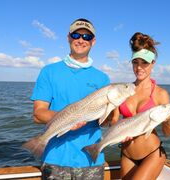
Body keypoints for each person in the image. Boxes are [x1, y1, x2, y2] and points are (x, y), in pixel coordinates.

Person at [30, 18, 110, 180]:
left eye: (86, 37)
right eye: (76, 35)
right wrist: (68, 119)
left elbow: (106, 122)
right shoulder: (49, 71)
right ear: (68, 37)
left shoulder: (102, 79)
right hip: (55, 159)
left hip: (90, 161)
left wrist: (115, 113)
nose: (81, 40)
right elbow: (38, 113)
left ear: (93, 41)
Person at [110, 32, 170, 180]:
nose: (139, 67)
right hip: (127, 154)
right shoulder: (122, 91)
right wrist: (117, 133)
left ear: (153, 63)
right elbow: (114, 120)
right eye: (135, 62)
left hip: (151, 154)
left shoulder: (160, 94)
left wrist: (167, 121)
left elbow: (168, 133)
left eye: (144, 63)